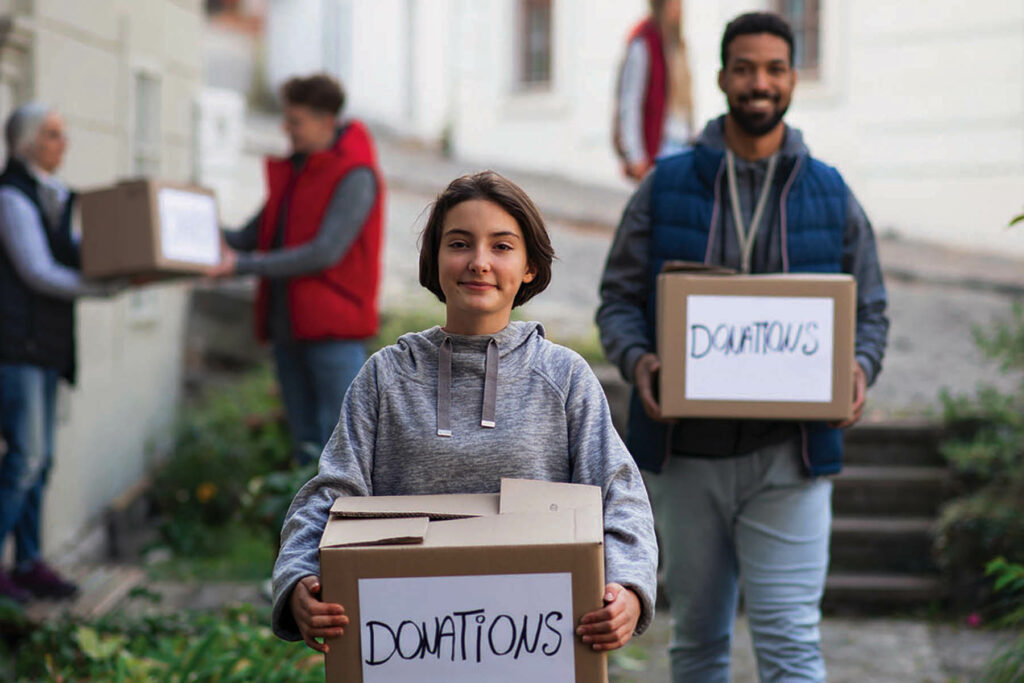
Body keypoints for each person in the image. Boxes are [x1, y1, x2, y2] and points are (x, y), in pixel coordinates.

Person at [597, 12, 889, 682]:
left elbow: (869, 308)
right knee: (696, 643)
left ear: (791, 79)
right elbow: (617, 298)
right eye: (746, 68)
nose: (760, 82)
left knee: (790, 648)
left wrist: (859, 368)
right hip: (685, 457)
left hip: (790, 456)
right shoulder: (665, 186)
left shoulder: (831, 192)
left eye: (775, 69)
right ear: (723, 76)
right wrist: (640, 360)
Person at [271, 171, 658, 656]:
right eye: (459, 244)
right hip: (407, 649)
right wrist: (300, 578)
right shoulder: (386, 377)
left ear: (530, 266)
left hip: (539, 650)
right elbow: (330, 493)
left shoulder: (564, 376)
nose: (479, 263)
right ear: (435, 260)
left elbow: (621, 493)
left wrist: (628, 589)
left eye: (501, 247)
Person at [212, 73, 384, 465]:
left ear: (326, 121)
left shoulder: (356, 175)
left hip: (334, 334)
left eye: (295, 121)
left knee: (342, 450)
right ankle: (308, 527)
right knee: (305, 446)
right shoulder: (297, 169)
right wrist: (188, 226)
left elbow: (324, 252)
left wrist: (240, 266)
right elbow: (249, 235)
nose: (285, 129)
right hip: (289, 329)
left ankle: (342, 528)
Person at [0, 103, 119, 603]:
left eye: (63, 134)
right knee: (26, 459)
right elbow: (38, 270)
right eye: (52, 134)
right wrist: (103, 290)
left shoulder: (57, 196)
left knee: (42, 461)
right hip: (18, 347)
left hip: (47, 349)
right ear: (27, 142)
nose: (62, 143)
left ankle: (27, 562)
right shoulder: (12, 197)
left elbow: (77, 252)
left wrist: (124, 261)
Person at [614, 0, 695, 181]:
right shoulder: (644, 42)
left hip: (681, 144)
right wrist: (635, 155)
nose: (678, 7)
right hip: (658, 147)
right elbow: (630, 100)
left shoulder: (677, 42)